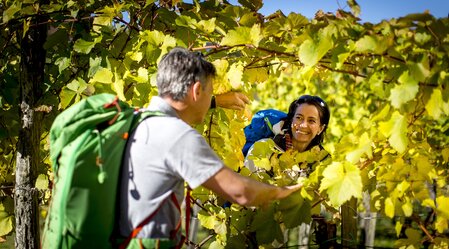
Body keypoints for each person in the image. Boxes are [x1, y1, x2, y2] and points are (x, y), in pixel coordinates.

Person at [118, 47, 302, 249]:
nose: (210, 99)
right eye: (211, 92)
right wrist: (286, 191)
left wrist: (215, 101)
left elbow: (182, 106)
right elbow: (240, 192)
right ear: (197, 90)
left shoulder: (134, 119)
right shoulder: (179, 136)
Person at [244, 95, 333, 248]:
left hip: (276, 240)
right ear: (291, 120)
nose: (303, 125)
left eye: (311, 121)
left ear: (321, 128)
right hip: (244, 231)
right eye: (298, 118)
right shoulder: (263, 148)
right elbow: (247, 193)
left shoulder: (320, 163)